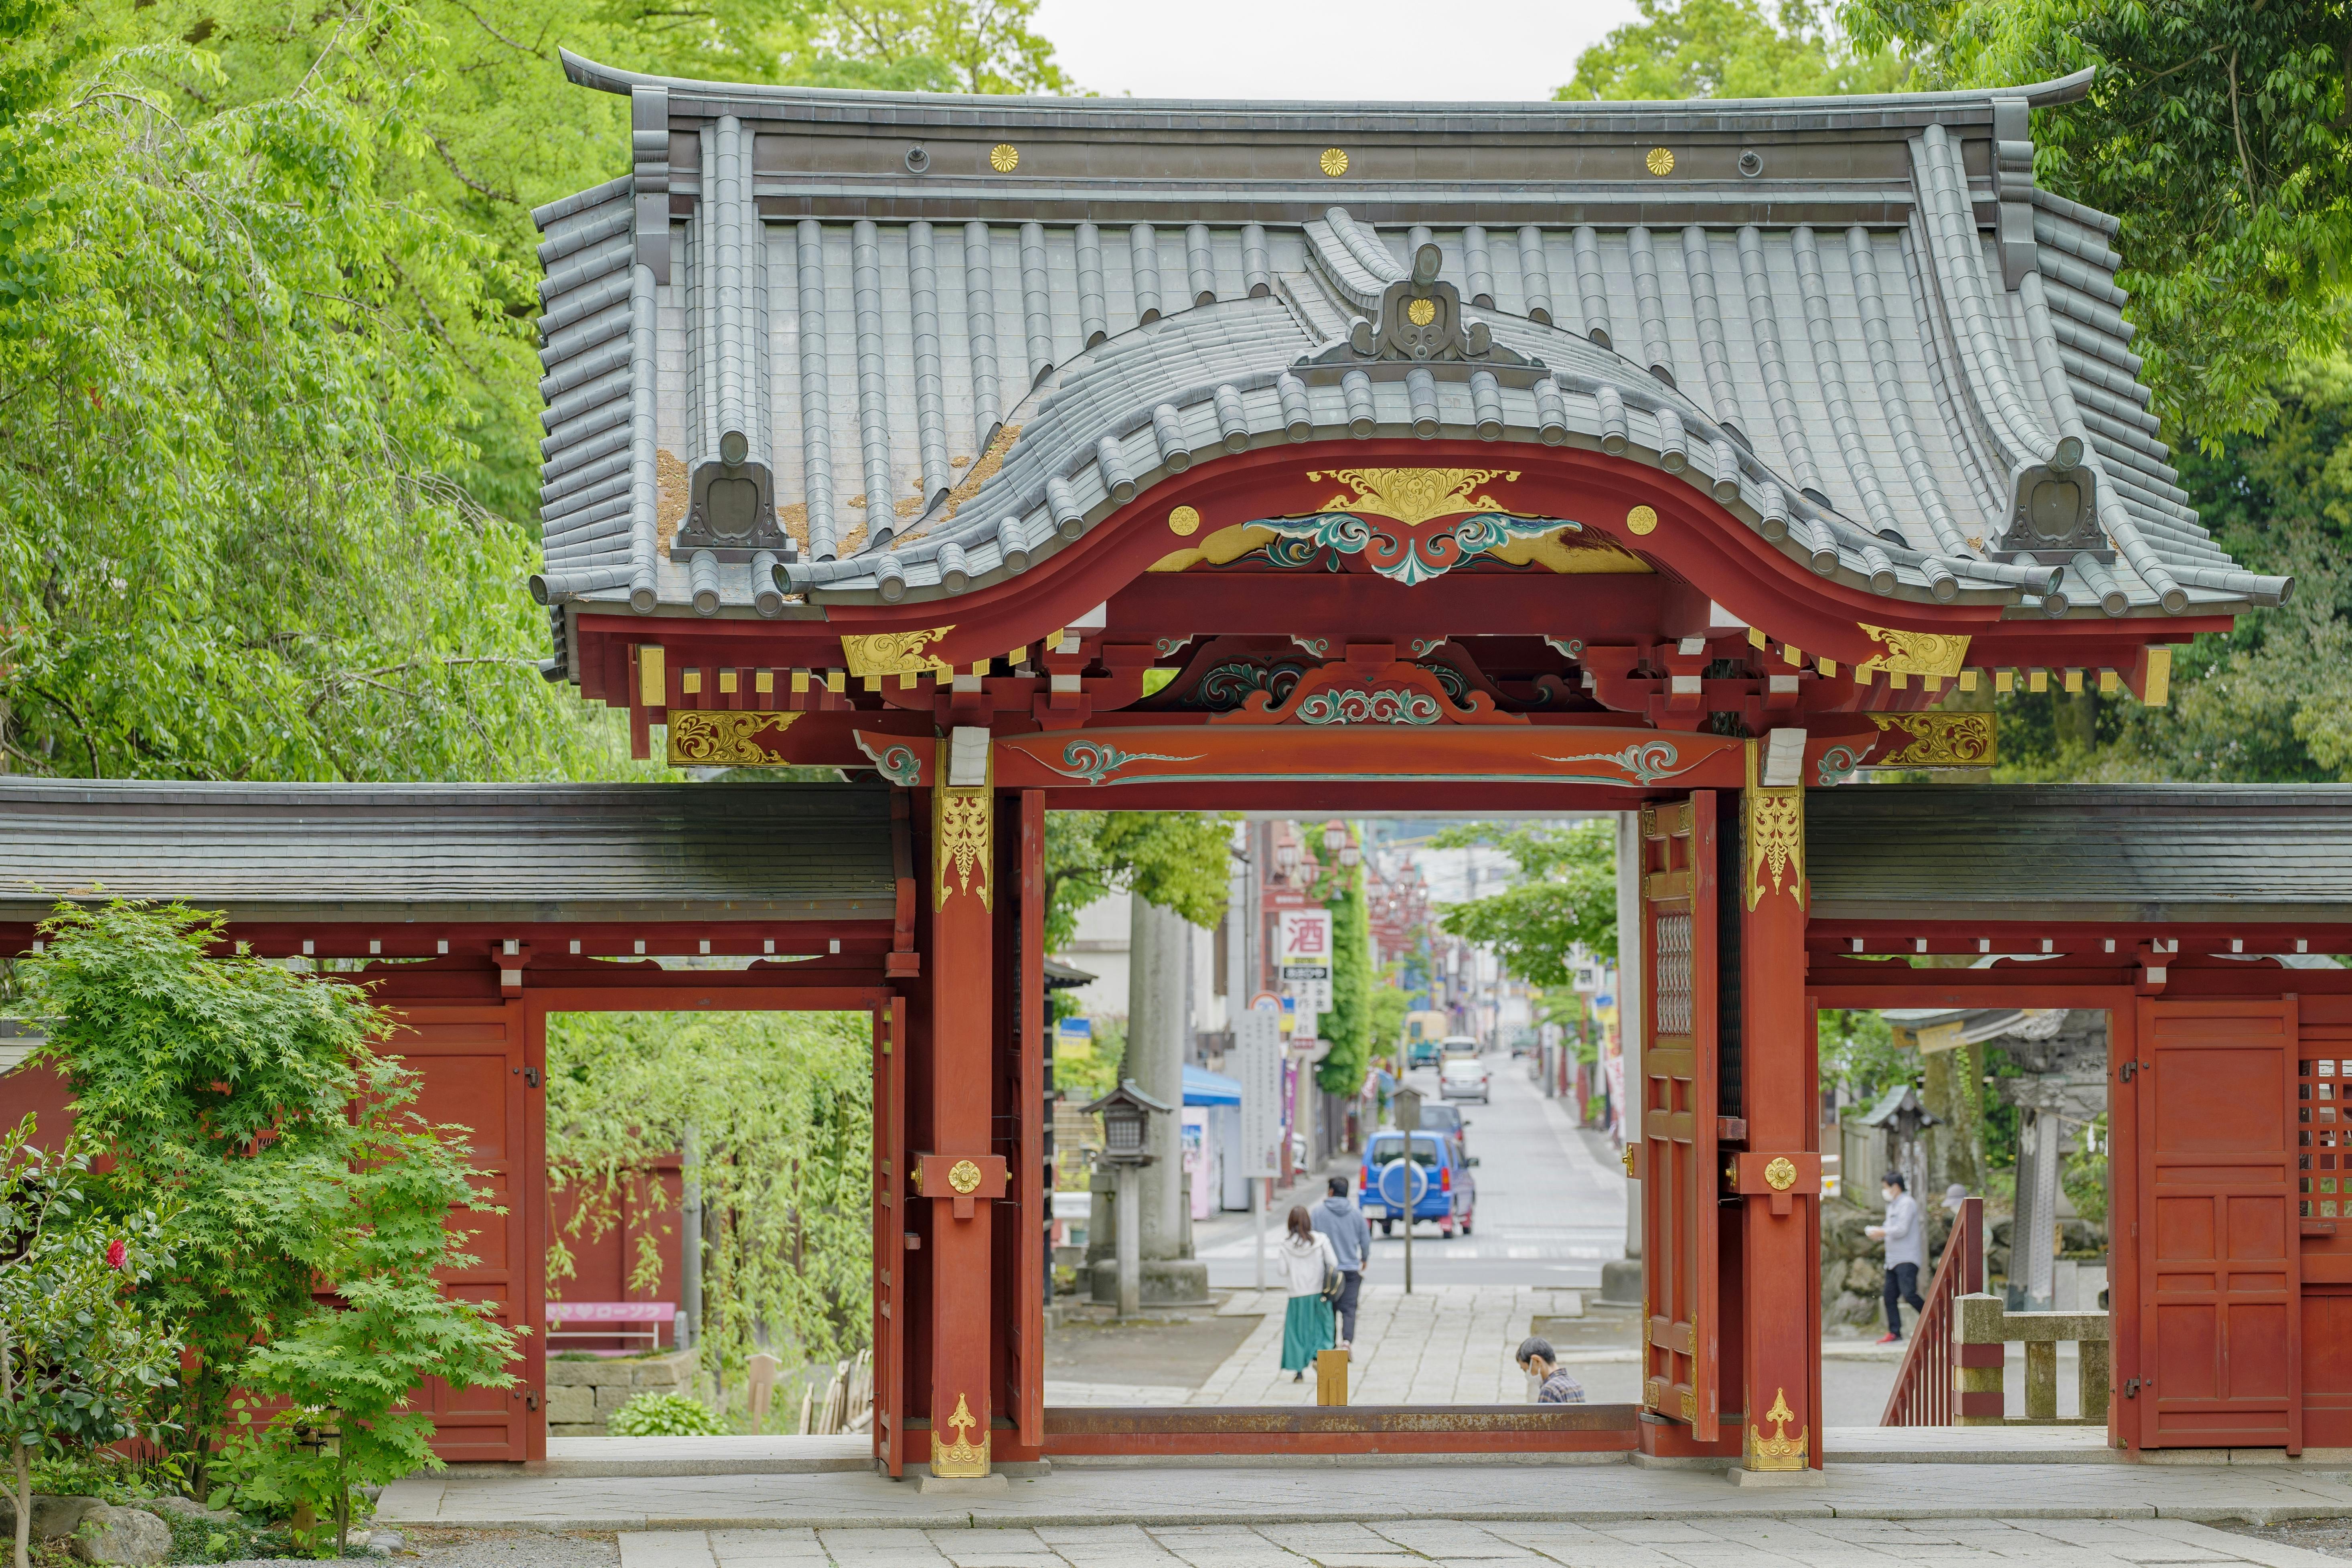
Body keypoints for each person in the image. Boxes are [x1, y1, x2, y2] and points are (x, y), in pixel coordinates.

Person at [1277, 1204, 1339, 1382]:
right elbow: (1333, 1263)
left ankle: (1298, 1371)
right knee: (1322, 1329)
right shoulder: (1321, 1240)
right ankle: (1319, 1359)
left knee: (1297, 1333)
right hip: (1319, 1294)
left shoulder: (1285, 1245)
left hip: (1297, 1295)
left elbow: (1282, 1271)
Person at [1310, 1175, 1372, 1349]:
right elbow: (1366, 1240)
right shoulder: (1356, 1214)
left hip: (1327, 1272)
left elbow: (1312, 1239)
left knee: (1329, 1309)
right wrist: (1365, 1258)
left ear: (1331, 1192)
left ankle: (1330, 1345)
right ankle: (1346, 1343)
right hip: (1351, 1270)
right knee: (1349, 1308)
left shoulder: (1317, 1213)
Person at [1866, 1169, 1926, 1344]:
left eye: (1886, 1187)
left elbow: (1902, 1229)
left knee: (1909, 1294)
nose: (1884, 1191)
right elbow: (1889, 1227)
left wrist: (1882, 1232)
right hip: (1892, 1260)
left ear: (1896, 1187)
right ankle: (1895, 1332)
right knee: (1889, 1296)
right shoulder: (1893, 1205)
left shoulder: (1907, 1203)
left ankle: (1936, 1323)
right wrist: (1878, 1232)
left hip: (1907, 1258)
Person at [1515, 1336, 1585, 1404]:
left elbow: (1543, 1416)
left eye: (1526, 1370)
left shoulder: (1549, 1390)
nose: (1527, 1375)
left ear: (1537, 1361)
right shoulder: (1576, 1384)